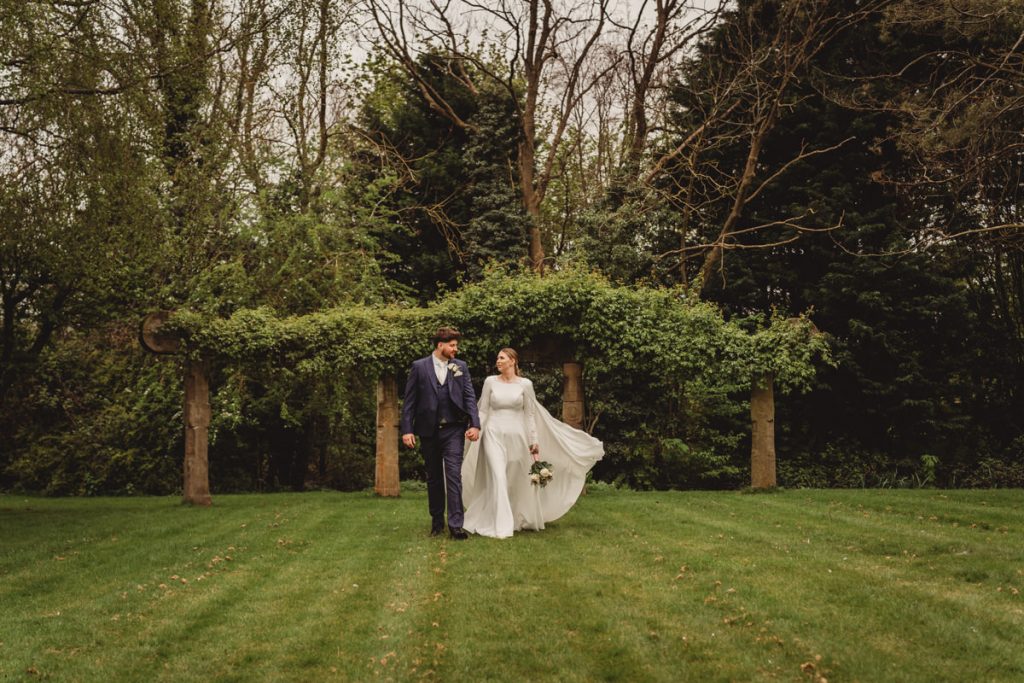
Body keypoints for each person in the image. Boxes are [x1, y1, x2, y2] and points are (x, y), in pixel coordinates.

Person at [461, 348, 603, 539]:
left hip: (517, 436)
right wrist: (476, 427)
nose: (498, 361)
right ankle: (500, 525)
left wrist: (534, 441)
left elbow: (530, 415)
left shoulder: (525, 385)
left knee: (513, 477)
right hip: (493, 435)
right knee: (497, 476)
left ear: (513, 361)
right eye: (497, 358)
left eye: (502, 358)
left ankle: (515, 517)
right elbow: (484, 410)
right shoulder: (490, 382)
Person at [401, 327, 481, 540]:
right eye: (452, 345)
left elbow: (469, 397)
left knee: (454, 475)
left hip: (454, 429)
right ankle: (437, 522)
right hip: (428, 430)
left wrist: (475, 424)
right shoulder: (419, 367)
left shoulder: (460, 367)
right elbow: (409, 402)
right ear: (440, 346)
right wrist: (407, 429)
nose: (456, 349)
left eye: (456, 345)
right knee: (434, 477)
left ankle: (456, 525)